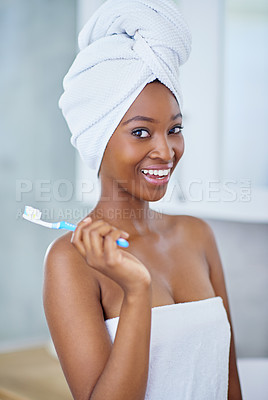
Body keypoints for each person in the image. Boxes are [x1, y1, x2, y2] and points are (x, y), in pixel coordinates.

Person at [43, 1, 242, 399]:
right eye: (140, 133)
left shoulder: (196, 234)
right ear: (97, 138)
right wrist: (136, 291)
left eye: (175, 129)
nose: (166, 152)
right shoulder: (70, 260)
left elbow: (228, 381)